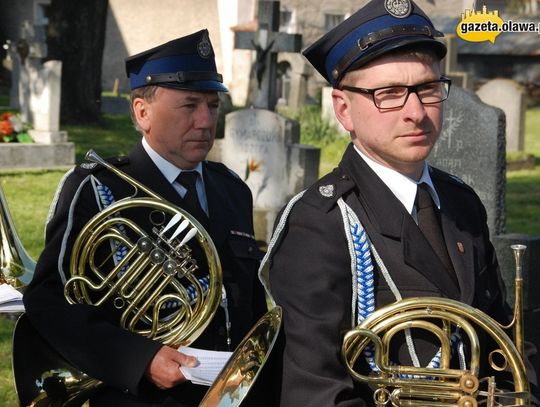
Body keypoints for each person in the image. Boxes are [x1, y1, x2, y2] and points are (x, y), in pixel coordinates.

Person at [258, 0, 538, 405]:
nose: (416, 113)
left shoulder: (460, 202)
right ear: (343, 109)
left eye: (427, 89)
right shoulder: (319, 223)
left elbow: (503, 345)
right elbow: (315, 392)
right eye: (389, 94)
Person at [23, 29, 267, 407]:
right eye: (189, 106)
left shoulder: (232, 190)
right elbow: (50, 302)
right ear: (142, 112)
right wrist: (139, 358)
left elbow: (249, 303)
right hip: (140, 396)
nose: (205, 121)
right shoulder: (98, 189)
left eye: (213, 106)